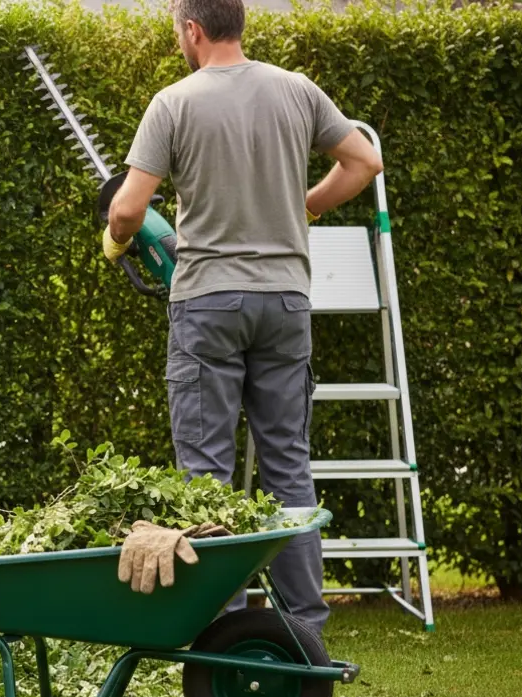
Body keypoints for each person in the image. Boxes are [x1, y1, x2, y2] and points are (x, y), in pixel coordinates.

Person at [101, 0, 383, 634]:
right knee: (288, 462)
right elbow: (364, 162)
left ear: (192, 30)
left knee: (206, 474)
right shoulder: (297, 90)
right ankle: (304, 628)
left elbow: (127, 209)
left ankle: (222, 626)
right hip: (285, 302)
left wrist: (116, 241)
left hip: (209, 302)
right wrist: (302, 207)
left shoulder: (173, 103)